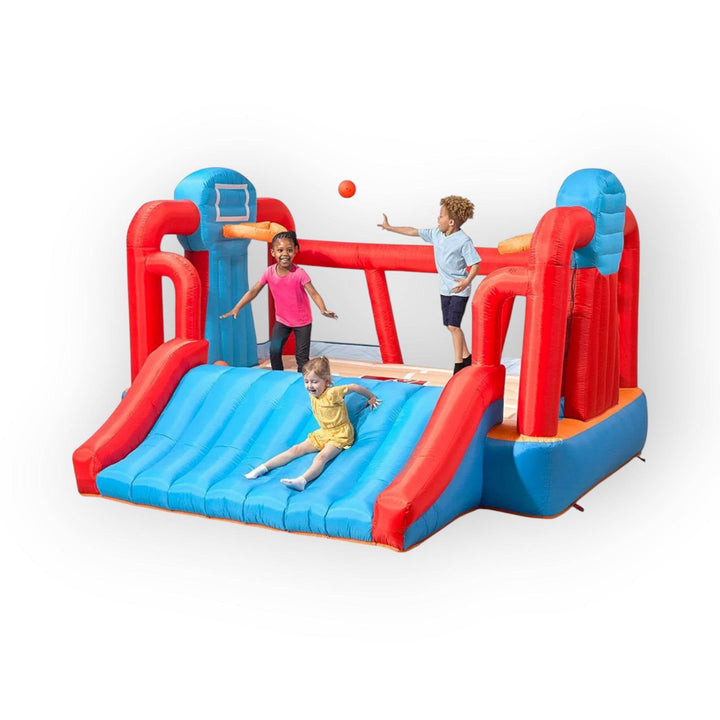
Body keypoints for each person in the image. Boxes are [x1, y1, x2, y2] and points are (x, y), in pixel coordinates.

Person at [244, 356, 381, 491]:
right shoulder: (313, 393)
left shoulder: (333, 393)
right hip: (324, 432)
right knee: (295, 449)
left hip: (340, 434)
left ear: (326, 381)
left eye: (314, 382)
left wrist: (371, 397)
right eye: (306, 381)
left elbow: (354, 387)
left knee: (321, 457)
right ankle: (262, 468)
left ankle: (302, 480)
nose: (310, 385)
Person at [378, 196, 480, 374]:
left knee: (453, 326)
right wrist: (390, 227)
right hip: (445, 288)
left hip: (459, 289)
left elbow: (475, 263)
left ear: (451, 222)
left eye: (441, 215)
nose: (437, 218)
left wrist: (466, 281)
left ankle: (458, 364)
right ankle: (467, 357)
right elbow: (413, 231)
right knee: (449, 325)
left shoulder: (464, 241)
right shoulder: (436, 234)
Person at [220, 231, 337, 373]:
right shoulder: (269, 272)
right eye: (280, 250)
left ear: (295, 251)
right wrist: (237, 307)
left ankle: (304, 381)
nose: (285, 254)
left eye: (289, 250)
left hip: (302, 322)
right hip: (282, 321)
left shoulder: (299, 273)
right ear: (273, 252)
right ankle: (277, 376)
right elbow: (254, 291)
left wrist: (323, 309)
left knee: (301, 357)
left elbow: (314, 293)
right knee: (274, 351)